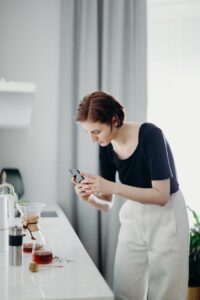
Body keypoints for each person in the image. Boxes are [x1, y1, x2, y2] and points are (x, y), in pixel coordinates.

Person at [71, 91, 189, 300]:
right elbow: (107, 204)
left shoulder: (151, 136)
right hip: (133, 216)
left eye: (96, 131)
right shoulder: (106, 147)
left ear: (114, 120)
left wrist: (111, 186)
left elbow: (161, 196)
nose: (92, 139)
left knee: (165, 293)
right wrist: (89, 198)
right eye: (88, 132)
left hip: (167, 217)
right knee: (124, 291)